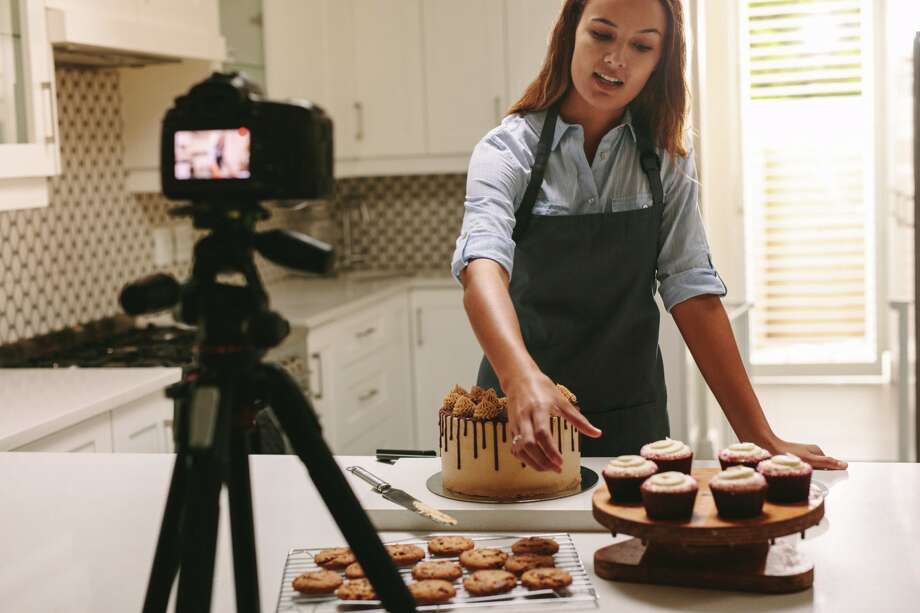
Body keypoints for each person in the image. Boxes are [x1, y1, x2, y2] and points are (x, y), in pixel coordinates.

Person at [451, 0, 847, 472]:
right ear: (569, 34)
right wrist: (520, 379)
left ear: (661, 62)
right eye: (601, 35)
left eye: (641, 45)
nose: (617, 59)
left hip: (632, 422)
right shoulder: (505, 150)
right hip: (520, 423)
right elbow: (482, 267)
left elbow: (691, 291)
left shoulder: (666, 159)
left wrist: (759, 436)